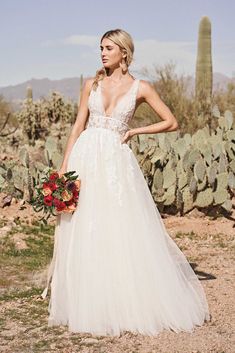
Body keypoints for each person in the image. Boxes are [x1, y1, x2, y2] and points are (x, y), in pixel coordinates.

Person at [41, 28, 210, 337]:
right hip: (85, 157)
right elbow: (78, 125)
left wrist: (134, 132)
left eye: (108, 48)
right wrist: (64, 167)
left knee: (117, 224)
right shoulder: (91, 84)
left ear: (124, 53)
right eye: (100, 47)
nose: (102, 52)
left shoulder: (141, 87)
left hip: (116, 162)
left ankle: (119, 298)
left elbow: (171, 121)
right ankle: (86, 296)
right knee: (82, 224)